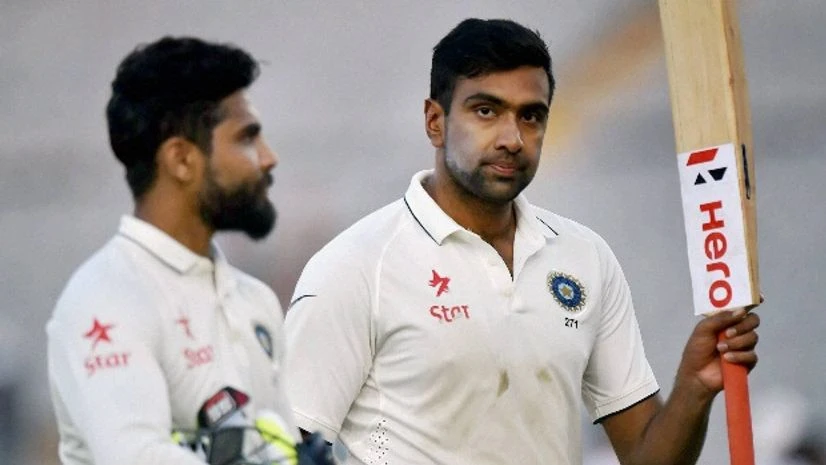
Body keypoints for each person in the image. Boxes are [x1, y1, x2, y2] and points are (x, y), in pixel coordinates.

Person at [282, 18, 761, 465]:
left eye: (531, 116)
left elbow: (645, 454)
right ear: (435, 121)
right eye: (486, 111)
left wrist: (694, 388)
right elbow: (283, 447)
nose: (512, 138)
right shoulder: (355, 268)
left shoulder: (584, 256)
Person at [46, 37, 329, 465]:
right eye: (247, 137)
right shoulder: (103, 302)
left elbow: (278, 449)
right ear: (181, 159)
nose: (268, 158)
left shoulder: (255, 302)